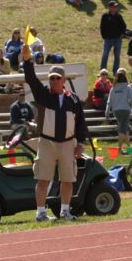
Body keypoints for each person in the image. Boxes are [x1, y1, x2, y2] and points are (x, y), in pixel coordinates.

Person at [21, 43, 87, 222]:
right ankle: (40, 213)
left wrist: (80, 144)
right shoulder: (43, 95)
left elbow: (80, 123)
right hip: (47, 142)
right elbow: (31, 78)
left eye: (57, 78)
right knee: (43, 178)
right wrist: (27, 60)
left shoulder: (73, 99)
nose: (54, 80)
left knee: (67, 179)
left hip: (68, 143)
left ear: (64, 79)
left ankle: (65, 211)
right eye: (52, 78)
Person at [106, 67, 132, 151]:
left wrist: (107, 113)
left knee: (125, 128)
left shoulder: (113, 88)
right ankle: (119, 148)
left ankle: (129, 147)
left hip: (116, 111)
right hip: (126, 110)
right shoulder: (128, 87)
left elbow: (109, 101)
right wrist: (131, 105)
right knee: (122, 130)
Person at [100, 1, 126, 73]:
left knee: (117, 56)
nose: (116, 8)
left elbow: (124, 26)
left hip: (118, 39)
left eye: (116, 6)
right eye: (114, 7)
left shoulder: (119, 16)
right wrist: (104, 36)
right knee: (105, 54)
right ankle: (103, 71)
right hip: (108, 39)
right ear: (110, 7)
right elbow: (102, 27)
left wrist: (122, 34)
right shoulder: (105, 16)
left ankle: (115, 71)